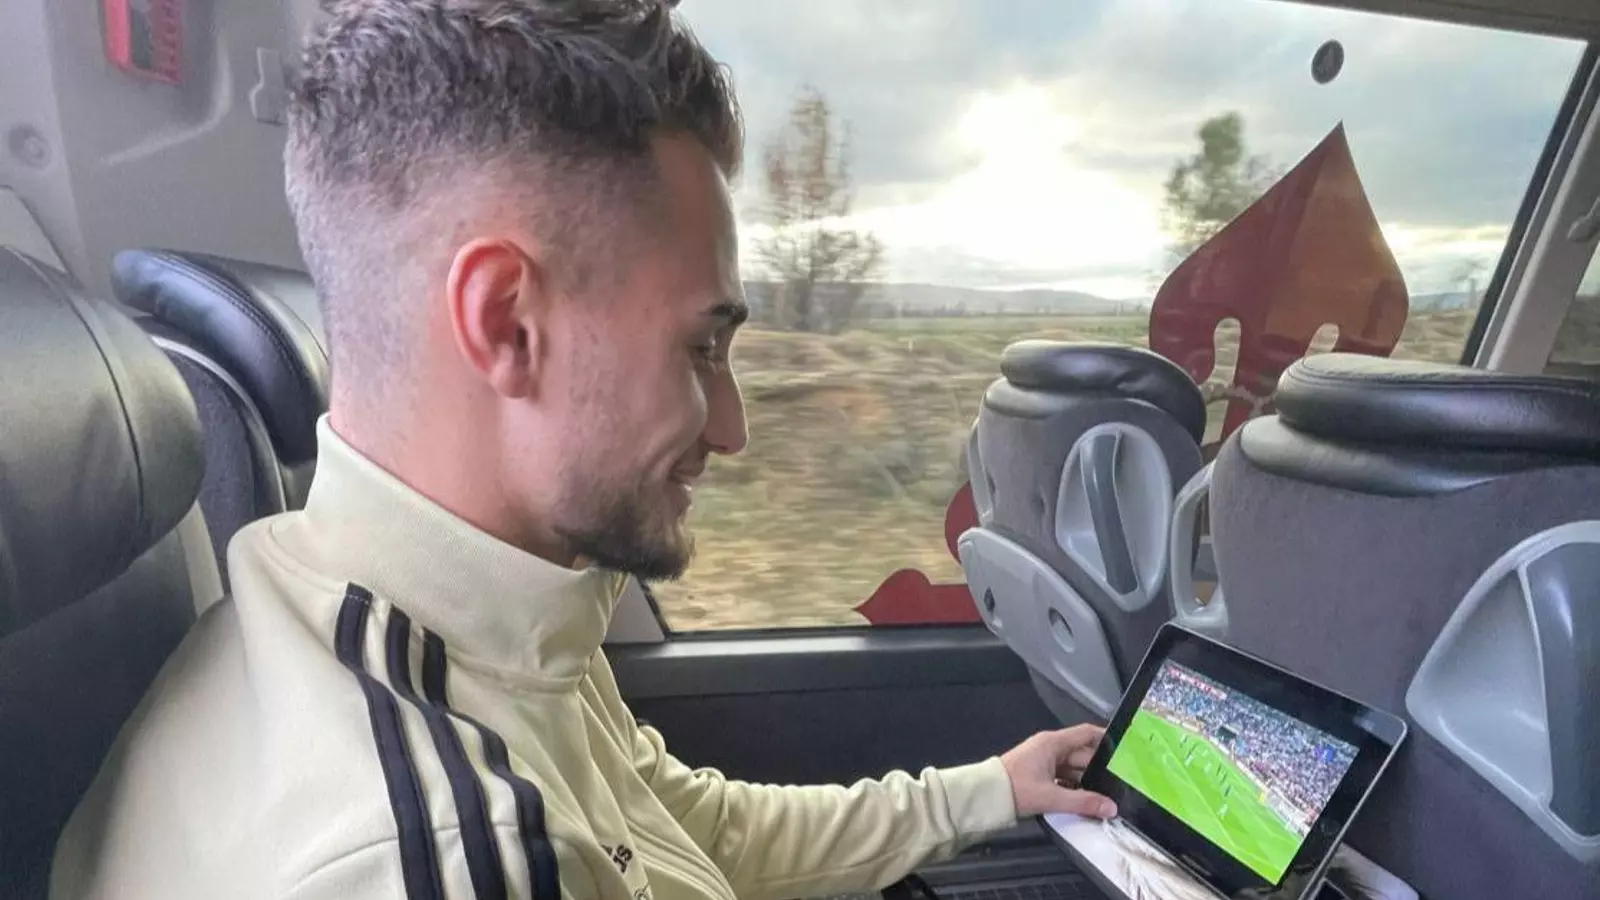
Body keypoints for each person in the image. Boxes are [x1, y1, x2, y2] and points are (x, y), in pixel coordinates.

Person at [49, 2, 1116, 898]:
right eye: (700, 347)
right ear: (507, 322)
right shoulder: (449, 854)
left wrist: (990, 792)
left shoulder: (473, 612)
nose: (733, 427)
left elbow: (688, 829)